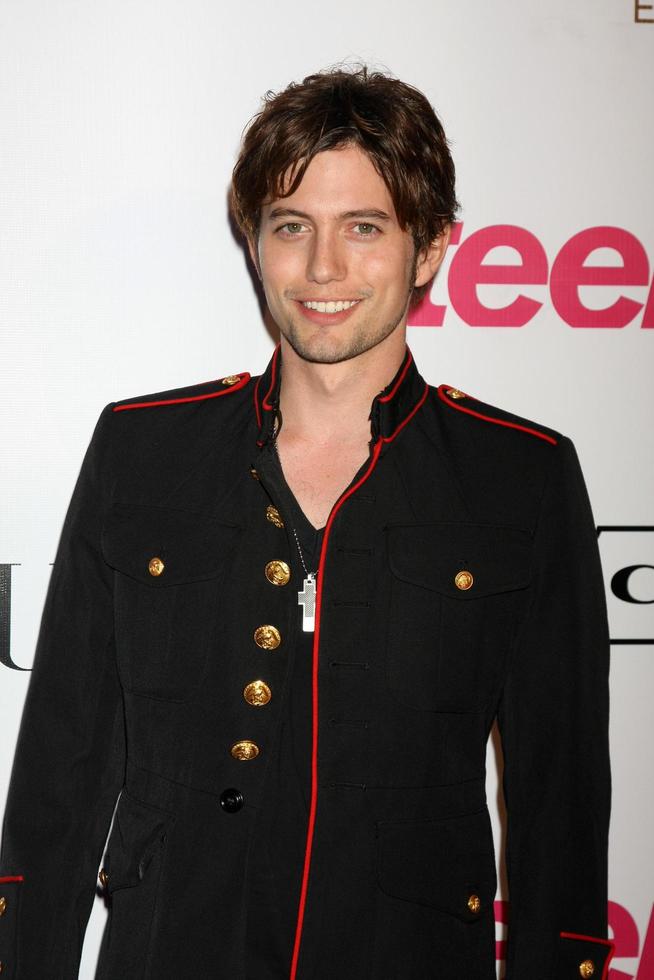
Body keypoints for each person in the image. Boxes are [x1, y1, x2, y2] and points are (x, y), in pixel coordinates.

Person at [0, 66, 612, 980]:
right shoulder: (144, 452)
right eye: (292, 227)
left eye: (364, 228)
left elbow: (559, 798)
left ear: (434, 248)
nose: (324, 269)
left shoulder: (520, 476)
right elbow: (64, 762)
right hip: (174, 948)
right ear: (254, 243)